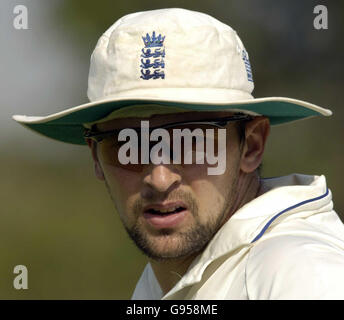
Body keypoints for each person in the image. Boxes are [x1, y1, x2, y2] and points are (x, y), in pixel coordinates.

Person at [13, 8, 344, 300]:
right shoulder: (171, 278)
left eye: (192, 141)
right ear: (96, 156)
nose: (159, 178)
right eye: (127, 146)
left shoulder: (301, 274)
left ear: (252, 145)